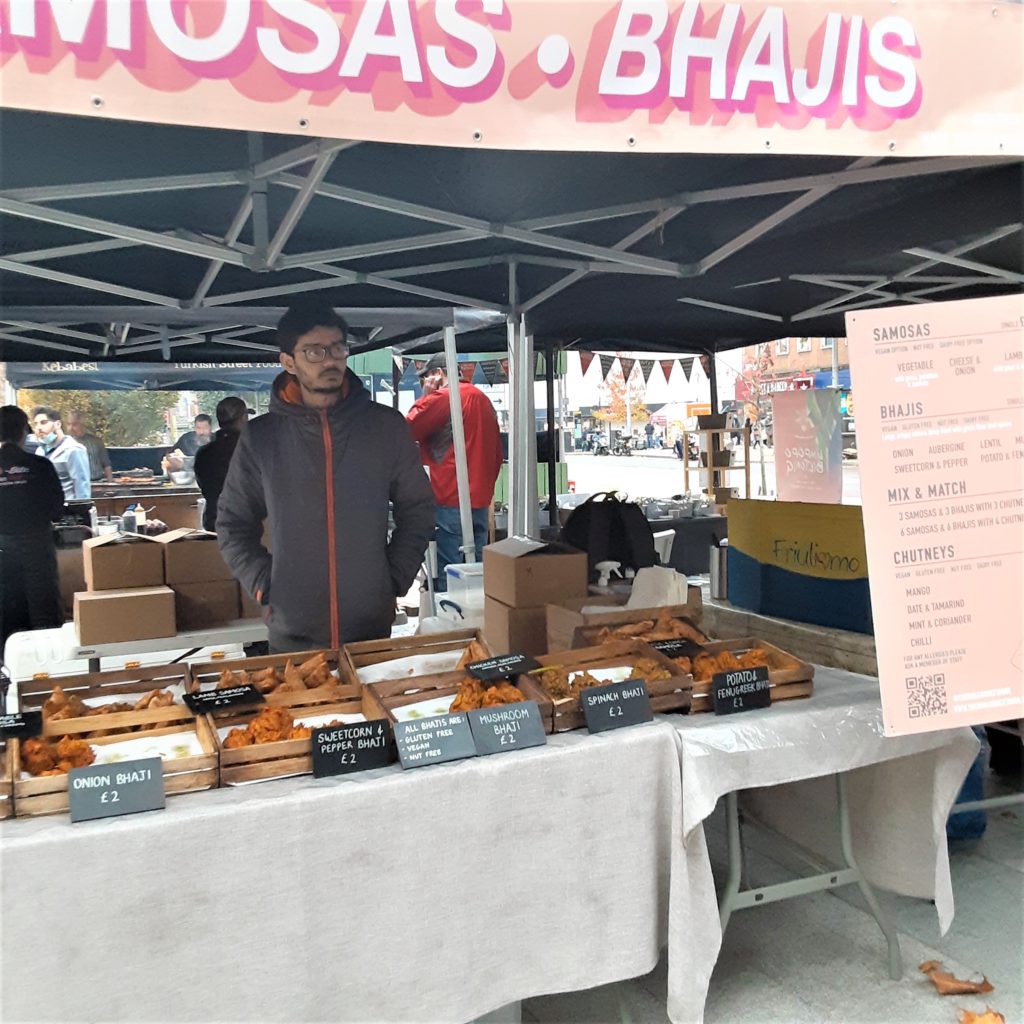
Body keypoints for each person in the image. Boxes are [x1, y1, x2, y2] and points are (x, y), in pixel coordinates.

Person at [217, 302, 435, 652]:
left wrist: (393, 578)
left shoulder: (385, 427)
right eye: (314, 351)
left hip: (371, 632)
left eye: (337, 348)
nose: (330, 360)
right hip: (292, 635)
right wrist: (263, 584)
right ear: (288, 362)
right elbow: (231, 522)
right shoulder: (262, 437)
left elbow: (419, 509)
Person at [406, 353, 503, 591]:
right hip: (480, 500)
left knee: (450, 577)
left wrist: (426, 397)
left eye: (425, 378)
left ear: (437, 374)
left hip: (449, 497)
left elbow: (406, 429)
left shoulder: (443, 398)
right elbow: (496, 453)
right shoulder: (482, 399)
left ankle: (452, 625)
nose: (423, 384)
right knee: (476, 574)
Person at [0, 406, 65, 653]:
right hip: (37, 548)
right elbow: (57, 509)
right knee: (44, 614)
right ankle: (49, 678)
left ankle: (9, 678)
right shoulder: (39, 465)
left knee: (6, 613)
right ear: (23, 432)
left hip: (2, 551)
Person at [194, 397, 248, 532]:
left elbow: (203, 485)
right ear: (243, 419)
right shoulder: (252, 450)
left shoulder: (204, 453)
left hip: (214, 520)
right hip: (247, 523)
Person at [31, 406, 90, 500]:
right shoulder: (40, 451)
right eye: (35, 424)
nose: (39, 427)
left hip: (67, 510)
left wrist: (81, 511)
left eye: (43, 423)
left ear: (57, 424)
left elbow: (82, 488)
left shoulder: (73, 450)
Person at [65, 411, 112, 482]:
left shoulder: (96, 442)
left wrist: (110, 483)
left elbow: (106, 464)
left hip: (97, 482)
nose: (71, 428)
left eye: (75, 424)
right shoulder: (64, 444)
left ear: (82, 425)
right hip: (75, 484)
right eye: (68, 424)